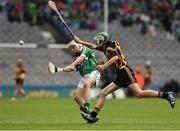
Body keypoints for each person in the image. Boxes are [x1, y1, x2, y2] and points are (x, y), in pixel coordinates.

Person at [74, 32, 176, 123]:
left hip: (125, 71)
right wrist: (80, 41)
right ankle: (92, 116)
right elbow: (92, 46)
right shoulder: (108, 45)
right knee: (103, 93)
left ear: (104, 40)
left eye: (99, 41)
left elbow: (115, 57)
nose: (98, 43)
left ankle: (166, 95)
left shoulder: (109, 48)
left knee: (139, 93)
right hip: (120, 73)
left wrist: (103, 66)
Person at [62, 40, 100, 116]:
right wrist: (66, 69)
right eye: (70, 49)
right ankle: (90, 114)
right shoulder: (76, 59)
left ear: (78, 45)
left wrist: (72, 64)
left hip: (94, 72)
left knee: (87, 84)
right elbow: (72, 68)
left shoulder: (85, 49)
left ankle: (87, 105)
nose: (72, 50)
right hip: (85, 76)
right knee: (77, 97)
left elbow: (82, 58)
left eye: (73, 47)